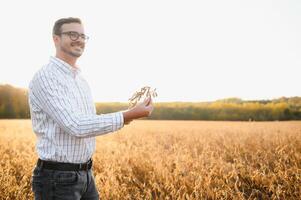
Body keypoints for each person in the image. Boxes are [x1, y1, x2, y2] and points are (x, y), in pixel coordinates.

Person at [28, 17, 154, 200]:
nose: (79, 39)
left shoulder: (81, 80)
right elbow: (76, 126)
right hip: (57, 179)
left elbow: (89, 122)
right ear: (56, 39)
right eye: (72, 34)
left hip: (86, 174)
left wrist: (130, 114)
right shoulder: (45, 77)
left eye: (82, 35)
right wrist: (128, 115)